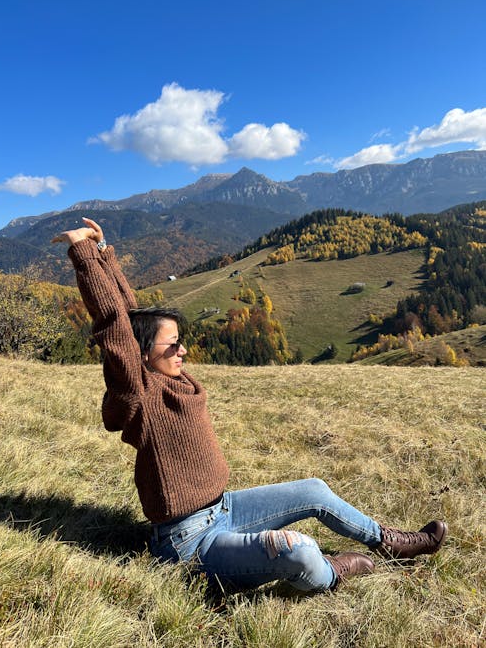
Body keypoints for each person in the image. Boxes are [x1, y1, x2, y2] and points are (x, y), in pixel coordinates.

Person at [52, 218, 448, 594]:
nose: (183, 349)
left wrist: (104, 251)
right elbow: (115, 328)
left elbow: (133, 316)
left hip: (225, 508)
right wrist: (83, 256)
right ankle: (333, 572)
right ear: (140, 355)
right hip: (187, 542)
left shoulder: (171, 380)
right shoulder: (138, 391)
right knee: (300, 551)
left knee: (315, 490)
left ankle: (389, 541)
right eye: (172, 345)